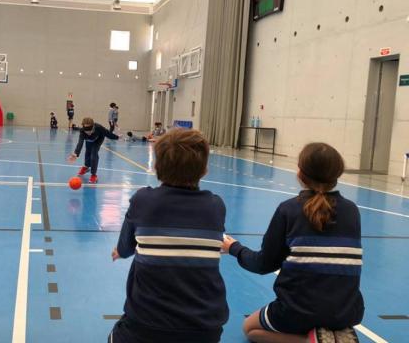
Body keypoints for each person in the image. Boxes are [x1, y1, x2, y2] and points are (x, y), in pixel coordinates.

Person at [222, 143, 363, 343]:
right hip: (347, 311)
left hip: (297, 310)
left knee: (250, 329)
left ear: (300, 173)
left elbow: (263, 264)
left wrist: (234, 248)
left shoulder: (289, 210)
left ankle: (311, 341)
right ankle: (331, 334)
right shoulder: (352, 211)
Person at [109, 129, 228, 343]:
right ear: (204, 170)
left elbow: (125, 248)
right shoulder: (216, 205)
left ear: (156, 167)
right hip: (205, 331)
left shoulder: (143, 200)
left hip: (145, 327)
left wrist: (121, 251)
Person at [67, 117, 119, 184]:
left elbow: (108, 134)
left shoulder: (99, 127)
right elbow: (80, 143)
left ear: (93, 126)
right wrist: (75, 154)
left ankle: (93, 175)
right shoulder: (82, 131)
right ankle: (86, 167)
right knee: (88, 152)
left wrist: (117, 137)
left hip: (98, 139)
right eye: (86, 129)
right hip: (89, 140)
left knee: (94, 154)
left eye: (89, 129)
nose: (88, 131)